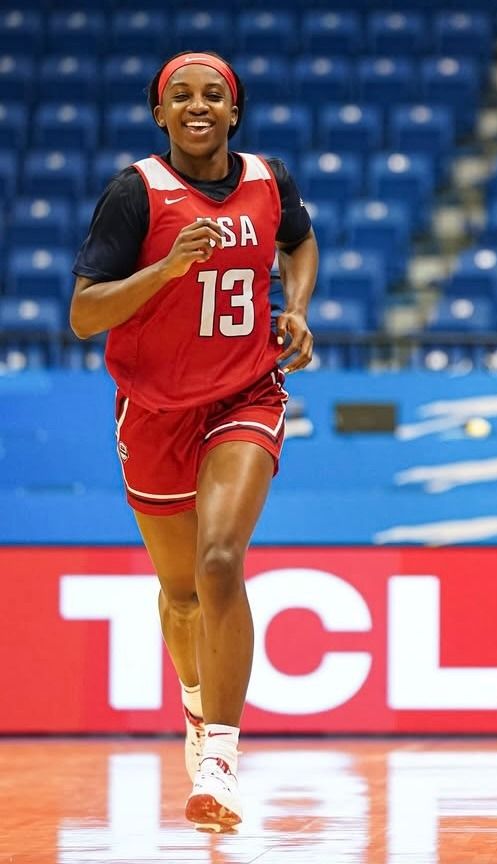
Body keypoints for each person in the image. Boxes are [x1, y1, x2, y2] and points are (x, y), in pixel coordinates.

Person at [70, 51, 318, 832]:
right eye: (182, 95)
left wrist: (298, 308)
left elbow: (300, 242)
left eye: (214, 94)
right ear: (160, 112)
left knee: (219, 560)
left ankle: (220, 754)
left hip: (245, 392)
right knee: (179, 595)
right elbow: (85, 314)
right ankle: (193, 698)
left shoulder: (268, 180)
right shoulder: (133, 194)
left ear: (234, 112)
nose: (198, 105)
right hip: (154, 410)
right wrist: (167, 270)